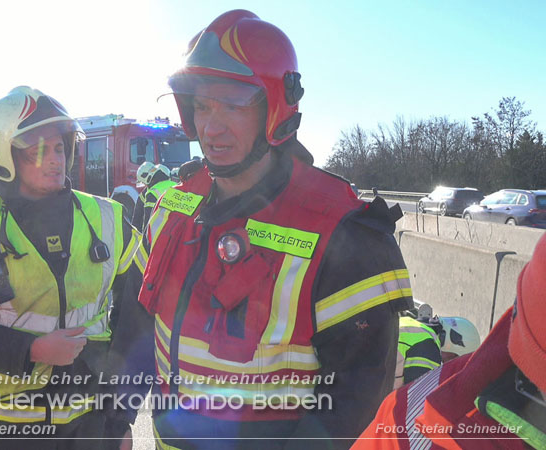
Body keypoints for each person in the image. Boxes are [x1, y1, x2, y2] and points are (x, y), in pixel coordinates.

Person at [107, 10, 413, 449]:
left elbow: (356, 396)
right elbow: (135, 325)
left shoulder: (344, 233)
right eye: (202, 106)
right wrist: (116, 420)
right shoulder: (172, 206)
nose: (211, 127)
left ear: (274, 109)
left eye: (232, 105)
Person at [0, 86, 146, 449]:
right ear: (7, 157)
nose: (54, 160)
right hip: (7, 430)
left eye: (59, 148)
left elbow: (138, 318)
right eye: (38, 150)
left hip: (91, 427)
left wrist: (120, 417)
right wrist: (30, 350)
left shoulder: (109, 220)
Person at [355, 234, 546, 449]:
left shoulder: (412, 323)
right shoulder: (427, 347)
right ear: (452, 351)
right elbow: (415, 408)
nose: (444, 364)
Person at [131, 162, 175, 232]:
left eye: (144, 183)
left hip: (163, 232)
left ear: (147, 178)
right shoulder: (175, 185)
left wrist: (144, 237)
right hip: (179, 228)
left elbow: (148, 223)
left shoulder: (152, 193)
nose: (145, 185)